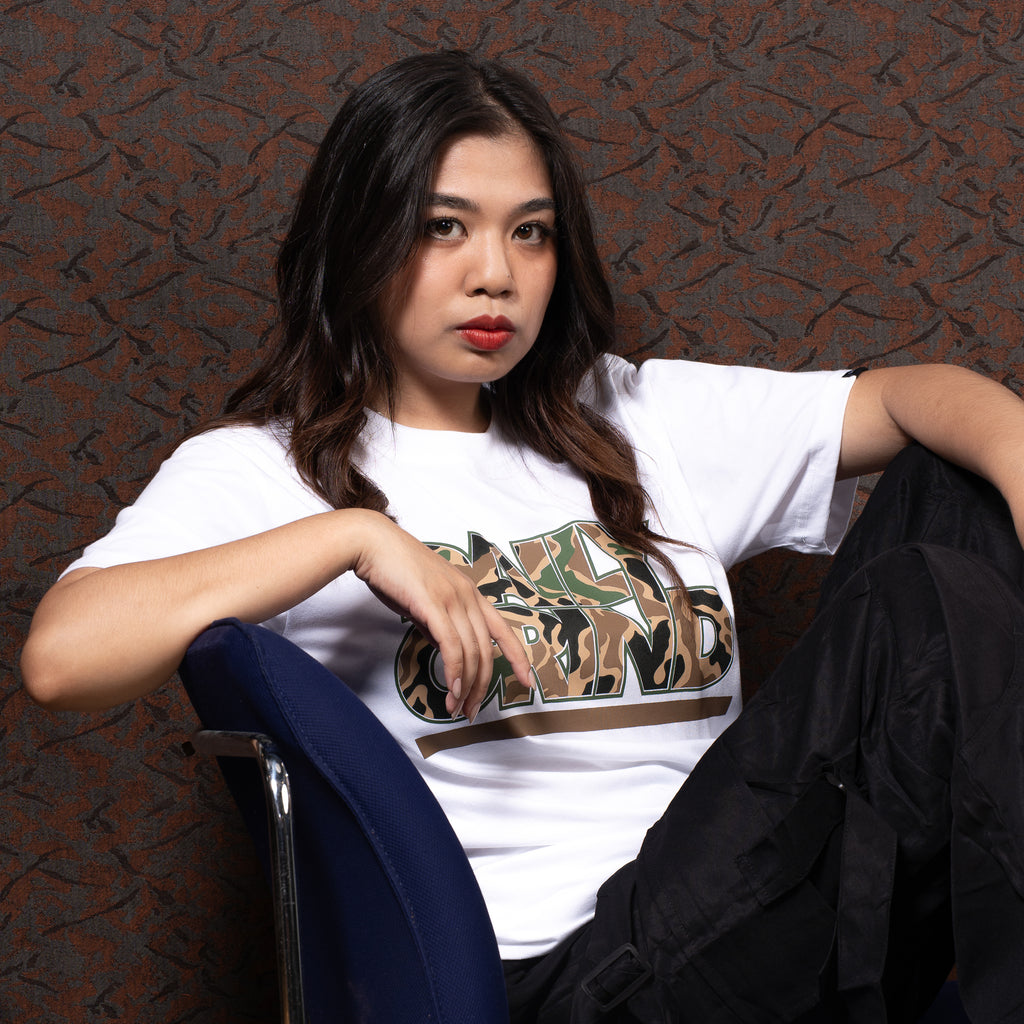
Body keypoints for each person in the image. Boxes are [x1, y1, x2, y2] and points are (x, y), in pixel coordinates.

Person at [20, 49, 1024, 1022]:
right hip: (575, 979)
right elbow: (63, 658)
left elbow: (918, 397)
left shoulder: (631, 416)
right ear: (360, 237)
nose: (495, 274)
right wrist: (353, 538)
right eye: (443, 227)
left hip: (750, 907)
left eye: (531, 233)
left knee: (958, 482)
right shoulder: (262, 472)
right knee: (919, 604)